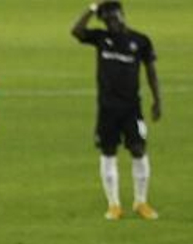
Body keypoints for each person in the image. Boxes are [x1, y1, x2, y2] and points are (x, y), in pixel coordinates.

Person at [70, 1, 161, 220]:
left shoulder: (140, 41)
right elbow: (76, 31)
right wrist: (92, 8)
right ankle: (114, 205)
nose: (111, 21)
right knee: (108, 152)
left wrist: (158, 100)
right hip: (107, 109)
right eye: (106, 18)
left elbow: (151, 71)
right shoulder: (101, 38)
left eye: (113, 16)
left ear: (122, 14)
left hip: (132, 108)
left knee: (138, 149)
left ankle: (141, 202)